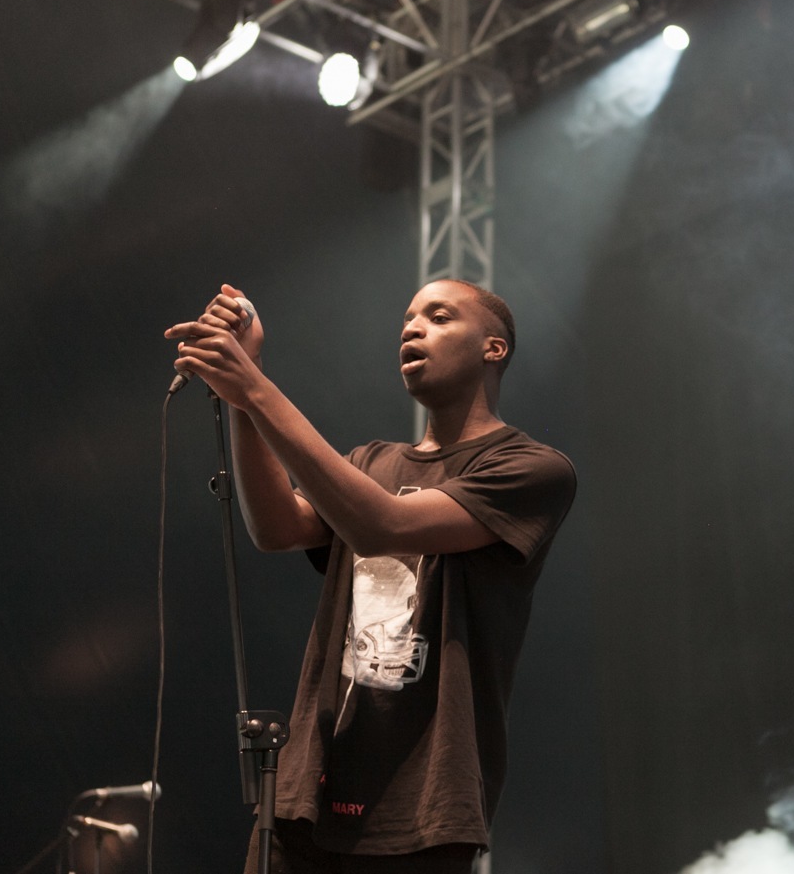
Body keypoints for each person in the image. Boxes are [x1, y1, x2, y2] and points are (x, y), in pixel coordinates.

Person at [164, 280, 576, 874]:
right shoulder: (370, 463)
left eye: (438, 317)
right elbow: (276, 527)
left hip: (423, 801)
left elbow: (384, 526)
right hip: (309, 786)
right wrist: (243, 390)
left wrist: (254, 388)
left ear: (494, 349)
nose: (412, 328)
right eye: (407, 318)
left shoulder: (532, 469)